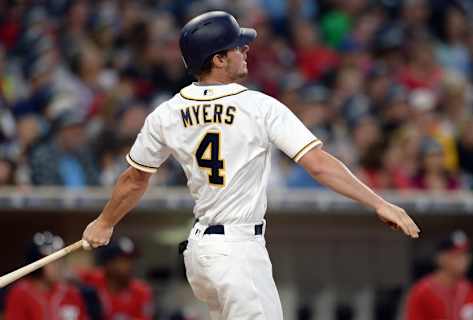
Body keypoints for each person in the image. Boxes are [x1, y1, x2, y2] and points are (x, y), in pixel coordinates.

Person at [82, 11, 420, 319]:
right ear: (218, 59)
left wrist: (104, 222)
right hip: (237, 249)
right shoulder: (257, 106)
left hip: (201, 251)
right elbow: (317, 164)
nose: (245, 50)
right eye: (236, 47)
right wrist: (379, 202)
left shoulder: (167, 112)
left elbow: (134, 179)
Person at [4, 232, 88, 320]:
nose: (58, 265)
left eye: (60, 260)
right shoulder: (20, 293)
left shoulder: (71, 293)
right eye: (52, 261)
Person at [404, 230, 473, 320]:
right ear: (440, 258)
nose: (462, 260)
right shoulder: (422, 291)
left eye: (465, 255)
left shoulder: (471, 290)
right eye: (455, 255)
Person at [78, 237, 153, 320]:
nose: (129, 266)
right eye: (123, 261)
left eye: (131, 260)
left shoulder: (141, 290)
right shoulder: (93, 278)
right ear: (108, 263)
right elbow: (69, 275)